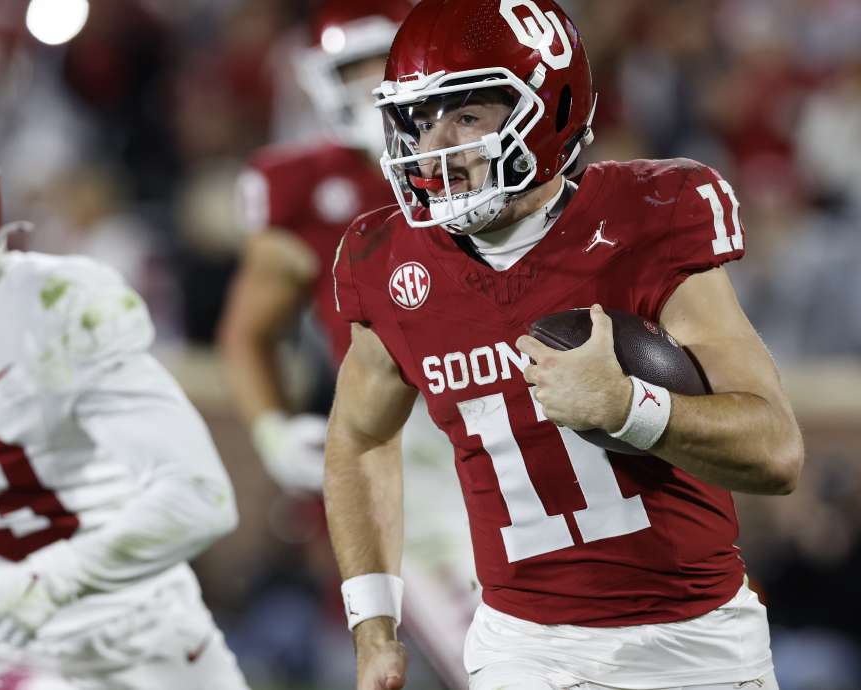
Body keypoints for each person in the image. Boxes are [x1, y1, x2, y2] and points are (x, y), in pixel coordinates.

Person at [324, 1, 806, 688]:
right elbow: (359, 438)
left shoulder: (649, 219)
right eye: (421, 119)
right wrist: (373, 627)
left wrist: (627, 406)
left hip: (693, 643)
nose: (435, 148)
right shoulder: (390, 261)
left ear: (549, 107)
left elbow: (777, 452)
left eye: (465, 115)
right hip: (525, 648)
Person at [0, 113, 249, 689]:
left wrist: (49, 581)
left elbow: (201, 497)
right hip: (5, 662)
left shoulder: (53, 309)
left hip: (139, 659)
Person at [218, 3, 477, 685]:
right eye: (353, 70)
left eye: (383, 64)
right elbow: (248, 330)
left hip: (511, 410)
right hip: (404, 443)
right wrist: (272, 431)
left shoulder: (491, 155)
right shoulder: (305, 188)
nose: (372, 86)